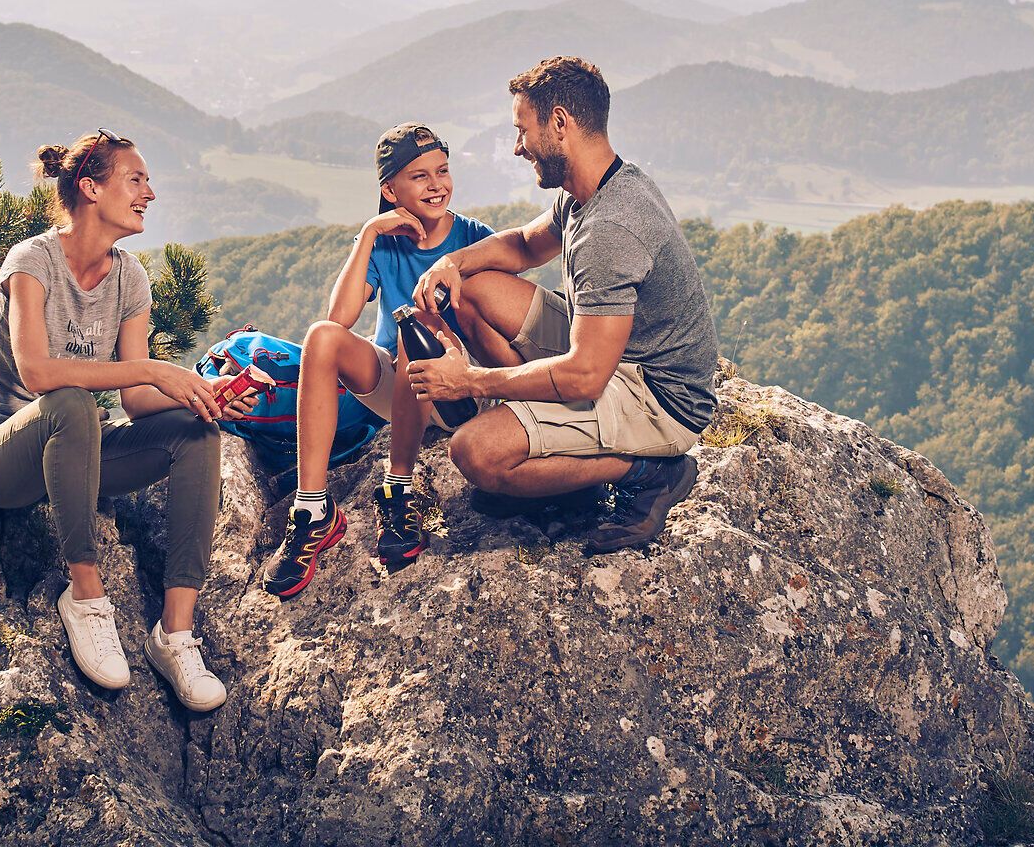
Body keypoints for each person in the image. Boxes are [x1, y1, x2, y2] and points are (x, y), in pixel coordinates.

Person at [0, 131, 250, 710]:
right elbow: (37, 372)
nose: (150, 193)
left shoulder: (129, 277)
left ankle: (175, 633)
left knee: (197, 434)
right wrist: (156, 370)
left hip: (74, 451)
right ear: (91, 187)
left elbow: (138, 397)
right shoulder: (31, 262)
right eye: (135, 180)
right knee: (70, 401)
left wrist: (199, 393)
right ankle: (85, 597)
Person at [406, 57, 722, 554]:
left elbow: (583, 378)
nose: (517, 147)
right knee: (479, 288)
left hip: (658, 399)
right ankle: (556, 457)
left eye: (521, 130)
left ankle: (650, 473)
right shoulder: (592, 188)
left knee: (476, 453)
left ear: (559, 124)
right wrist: (452, 263)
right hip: (608, 354)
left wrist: (469, 381)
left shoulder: (610, 230)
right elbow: (525, 246)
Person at [261, 123, 493, 599]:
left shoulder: (473, 237)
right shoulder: (384, 243)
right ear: (390, 190)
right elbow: (339, 317)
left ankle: (400, 487)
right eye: (420, 176)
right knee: (321, 338)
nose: (437, 185)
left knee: (416, 328)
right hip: (402, 391)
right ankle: (312, 510)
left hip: (462, 391)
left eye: (443, 171)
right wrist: (369, 233)